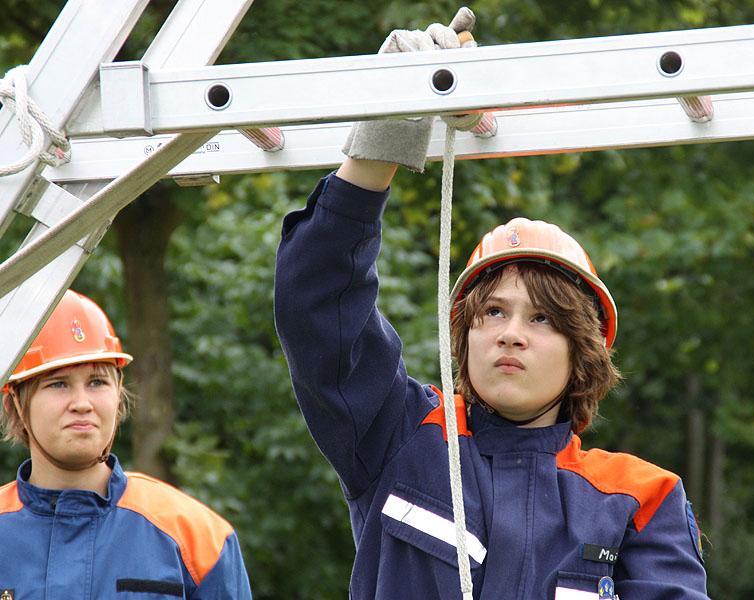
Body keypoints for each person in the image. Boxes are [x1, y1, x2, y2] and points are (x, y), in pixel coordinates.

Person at [274, 16, 708, 600]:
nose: (511, 335)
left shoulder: (638, 497)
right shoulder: (401, 437)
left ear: (586, 355)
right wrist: (384, 127)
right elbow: (318, 308)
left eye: (542, 319)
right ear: (466, 337)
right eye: (493, 314)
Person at [0, 289, 252, 599]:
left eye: (97, 382)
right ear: (15, 405)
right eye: (58, 383)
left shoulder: (198, 540)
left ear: (118, 394)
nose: (82, 403)